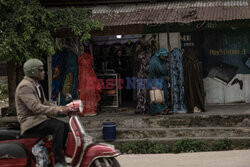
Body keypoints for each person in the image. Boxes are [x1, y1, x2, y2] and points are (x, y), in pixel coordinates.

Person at [15, 58, 72, 167]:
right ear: (33, 72)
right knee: (58, 127)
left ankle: (61, 154)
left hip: (39, 119)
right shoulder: (25, 86)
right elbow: (35, 108)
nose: (43, 72)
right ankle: (58, 161)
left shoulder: (36, 85)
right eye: (41, 70)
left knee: (65, 126)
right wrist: (58, 110)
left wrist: (62, 108)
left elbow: (45, 103)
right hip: (30, 122)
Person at [148, 48, 171, 115]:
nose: (164, 57)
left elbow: (164, 70)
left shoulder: (162, 61)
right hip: (154, 80)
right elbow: (155, 71)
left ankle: (163, 109)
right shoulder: (154, 61)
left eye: (165, 56)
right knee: (155, 96)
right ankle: (156, 111)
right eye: (163, 56)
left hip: (161, 80)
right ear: (160, 55)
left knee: (163, 95)